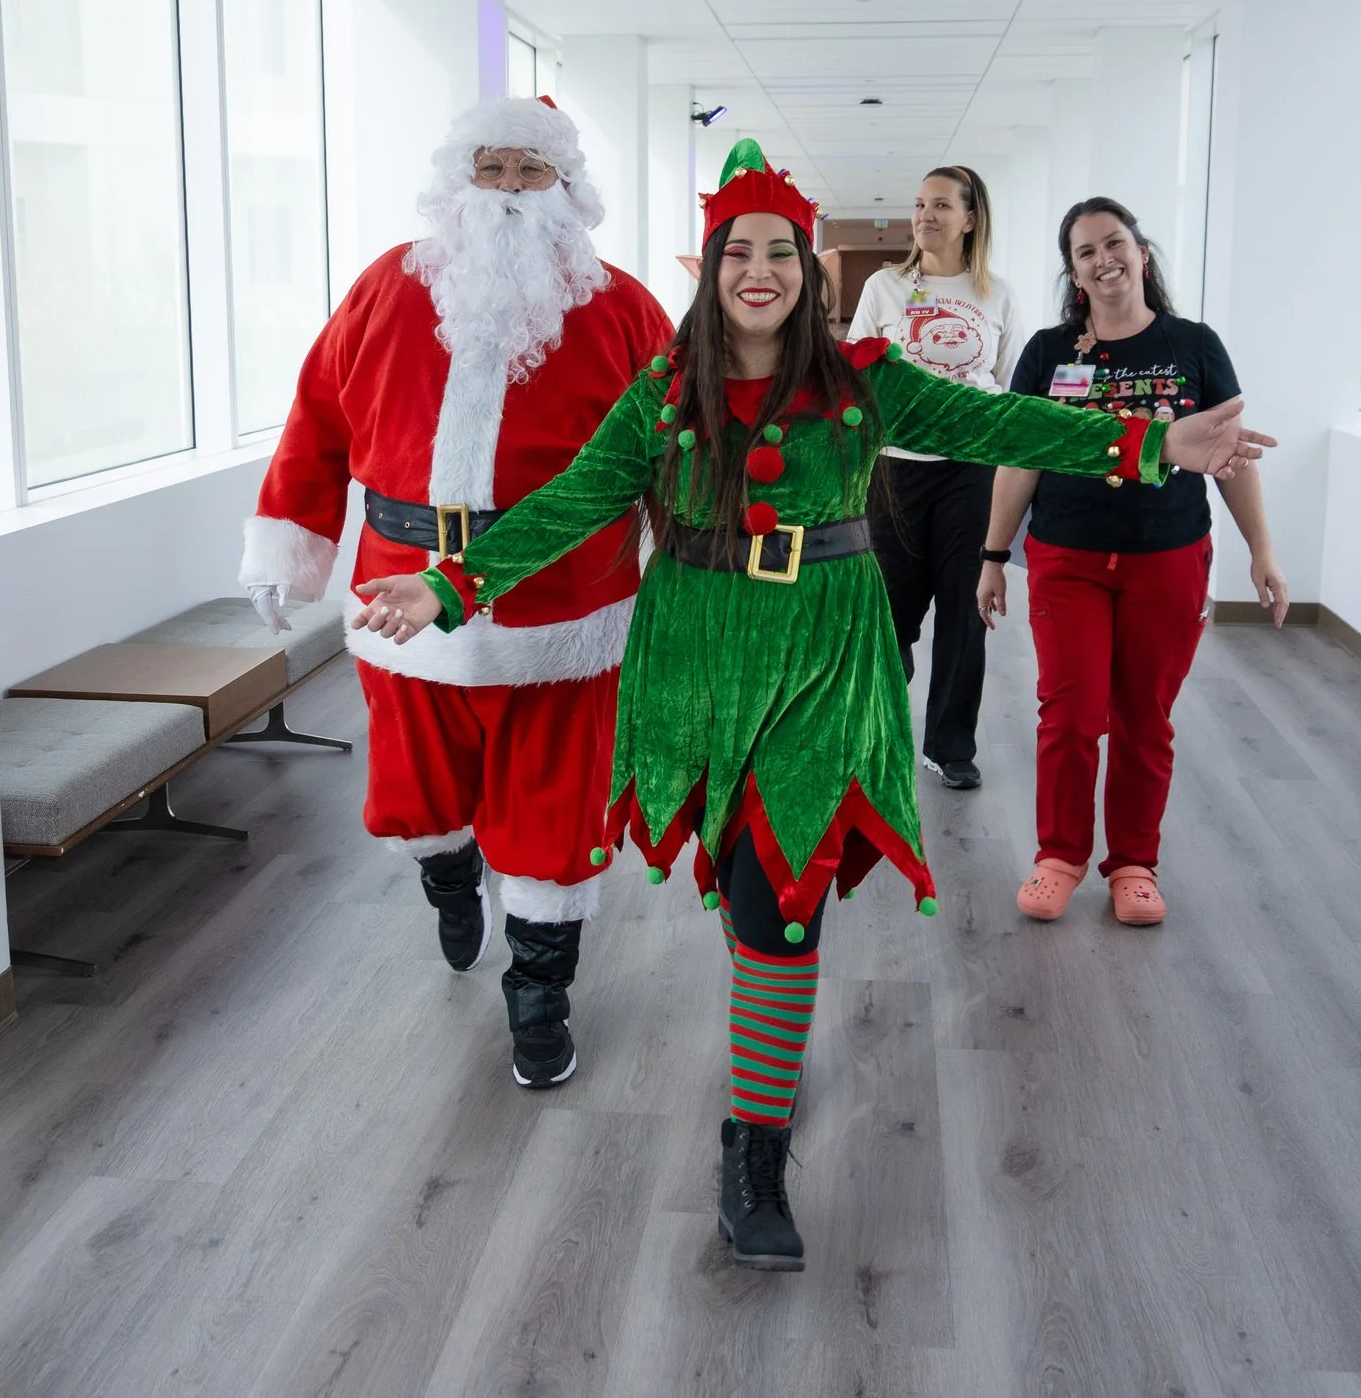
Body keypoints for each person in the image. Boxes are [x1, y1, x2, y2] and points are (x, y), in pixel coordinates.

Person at [352, 143, 1272, 1270]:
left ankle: (752, 1151)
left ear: (809, 272)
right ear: (713, 269)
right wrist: (447, 585)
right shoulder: (660, 393)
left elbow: (1005, 426)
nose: (758, 270)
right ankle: (762, 1024)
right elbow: (571, 502)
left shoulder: (867, 376)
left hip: (827, 656)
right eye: (738, 250)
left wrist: (1149, 442)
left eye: (779, 252)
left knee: (784, 898)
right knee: (749, 899)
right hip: (696, 658)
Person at [238, 95, 672, 1090]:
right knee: (421, 791)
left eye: (532, 170)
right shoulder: (385, 289)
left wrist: (704, 584)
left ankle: (538, 990)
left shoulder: (623, 306)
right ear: (457, 181)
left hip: (567, 604)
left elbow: (674, 455)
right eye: (494, 169)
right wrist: (286, 543)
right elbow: (316, 418)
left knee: (554, 804)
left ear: (567, 186)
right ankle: (447, 874)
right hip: (400, 598)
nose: (513, 190)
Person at [977, 197, 1289, 929]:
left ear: (1142, 253)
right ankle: (1058, 857)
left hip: (1169, 555)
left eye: (1113, 242)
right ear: (1074, 273)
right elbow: (1018, 458)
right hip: (1068, 555)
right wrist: (993, 554)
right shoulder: (1051, 354)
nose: (1102, 258)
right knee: (1071, 712)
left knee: (1145, 717)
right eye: (1085, 252)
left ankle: (1135, 865)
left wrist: (1263, 550)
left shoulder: (1195, 345)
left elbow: (1231, 458)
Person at [846, 167, 1017, 790]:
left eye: (941, 205)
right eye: (919, 204)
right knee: (887, 613)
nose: (926, 215)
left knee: (965, 611)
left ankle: (951, 746)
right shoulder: (885, 287)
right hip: (894, 468)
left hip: (971, 471)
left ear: (970, 219)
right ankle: (871, 734)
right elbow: (858, 373)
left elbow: (1001, 382)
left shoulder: (995, 293)